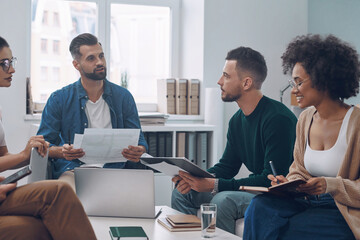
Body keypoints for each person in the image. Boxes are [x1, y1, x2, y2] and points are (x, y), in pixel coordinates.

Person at [243, 34, 360, 240]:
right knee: (259, 206)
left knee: (289, 229)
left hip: (343, 209)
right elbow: (299, 170)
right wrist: (289, 183)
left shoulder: (357, 122)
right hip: (307, 201)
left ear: (323, 79)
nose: (294, 90)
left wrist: (330, 185)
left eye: (298, 82)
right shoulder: (305, 118)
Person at [171, 46, 297, 234]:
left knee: (223, 201)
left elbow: (271, 179)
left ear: (246, 83)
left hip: (279, 196)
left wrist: (214, 185)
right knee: (183, 193)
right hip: (258, 191)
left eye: (226, 76)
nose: (219, 81)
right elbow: (227, 167)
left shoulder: (278, 119)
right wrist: (194, 178)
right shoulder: (237, 121)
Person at [0, 36, 96, 240]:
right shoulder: (60, 98)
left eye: (11, 62)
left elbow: (4, 157)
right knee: (59, 191)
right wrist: (22, 156)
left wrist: (29, 154)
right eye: (4, 64)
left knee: (41, 228)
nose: (12, 69)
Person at [37, 33, 148, 189]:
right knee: (64, 193)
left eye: (101, 56)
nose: (100, 62)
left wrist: (139, 150)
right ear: (76, 65)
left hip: (117, 170)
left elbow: (140, 142)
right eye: (91, 58)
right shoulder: (58, 99)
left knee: (136, 201)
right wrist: (62, 151)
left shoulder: (124, 97)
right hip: (74, 170)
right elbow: (43, 146)